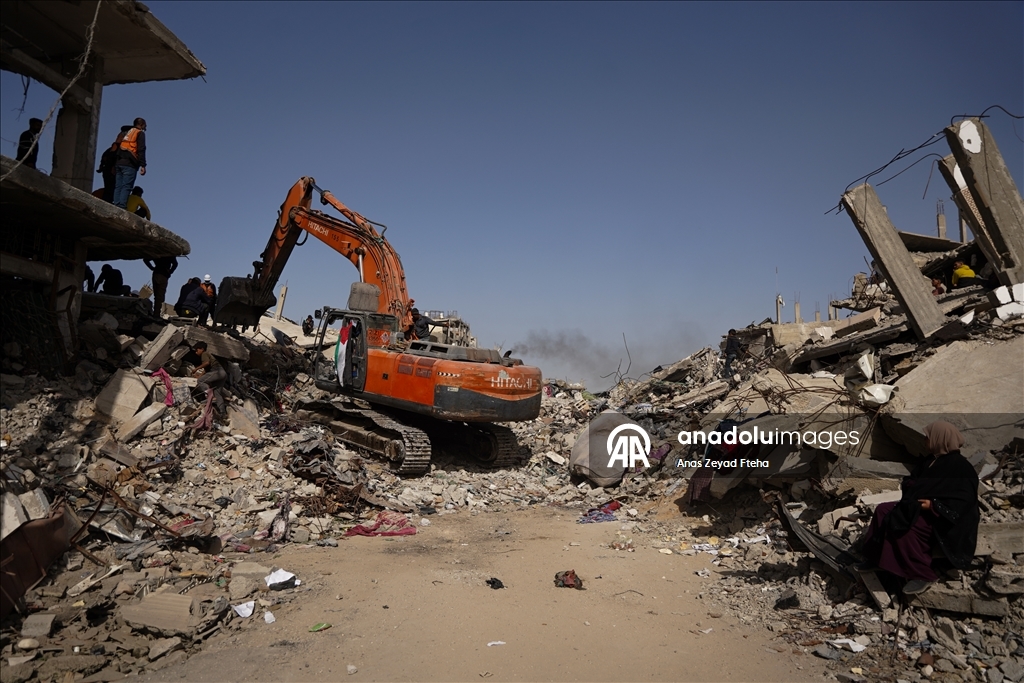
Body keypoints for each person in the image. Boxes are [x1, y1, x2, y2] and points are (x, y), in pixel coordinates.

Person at [857, 421, 979, 595]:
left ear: (939, 439)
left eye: (928, 437)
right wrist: (913, 488)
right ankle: (876, 559)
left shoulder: (960, 467)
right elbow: (912, 480)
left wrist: (933, 505)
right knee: (883, 511)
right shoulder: (931, 461)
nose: (925, 441)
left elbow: (964, 500)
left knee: (907, 527)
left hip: (942, 518)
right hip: (916, 506)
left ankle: (923, 574)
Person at [113, 117, 147, 208]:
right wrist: (143, 165)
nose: (146, 127)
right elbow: (141, 149)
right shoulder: (140, 133)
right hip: (130, 163)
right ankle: (121, 207)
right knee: (126, 186)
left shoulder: (126, 132)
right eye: (145, 125)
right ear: (141, 124)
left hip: (119, 162)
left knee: (118, 186)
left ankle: (115, 204)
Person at [192, 341, 227, 415]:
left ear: (202, 349)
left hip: (217, 372)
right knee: (218, 393)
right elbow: (206, 369)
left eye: (197, 350)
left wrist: (196, 369)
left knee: (200, 381)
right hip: (223, 373)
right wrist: (200, 375)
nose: (196, 352)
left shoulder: (204, 354)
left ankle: (210, 396)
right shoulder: (208, 355)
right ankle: (223, 413)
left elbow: (206, 363)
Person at [97, 126, 131, 202]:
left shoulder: (116, 148)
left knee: (112, 190)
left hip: (110, 171)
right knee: (111, 190)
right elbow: (111, 157)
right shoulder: (117, 147)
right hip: (111, 172)